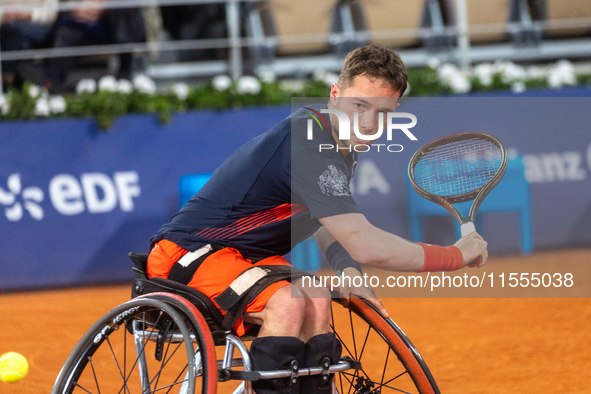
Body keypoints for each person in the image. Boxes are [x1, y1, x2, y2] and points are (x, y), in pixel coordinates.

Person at [147, 44, 488, 394]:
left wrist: (349, 271)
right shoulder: (308, 142)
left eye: (382, 113)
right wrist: (455, 256)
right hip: (187, 254)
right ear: (336, 95)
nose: (369, 124)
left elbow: (327, 225)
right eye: (360, 106)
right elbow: (364, 242)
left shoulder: (339, 145)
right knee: (288, 303)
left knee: (317, 295)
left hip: (245, 260)